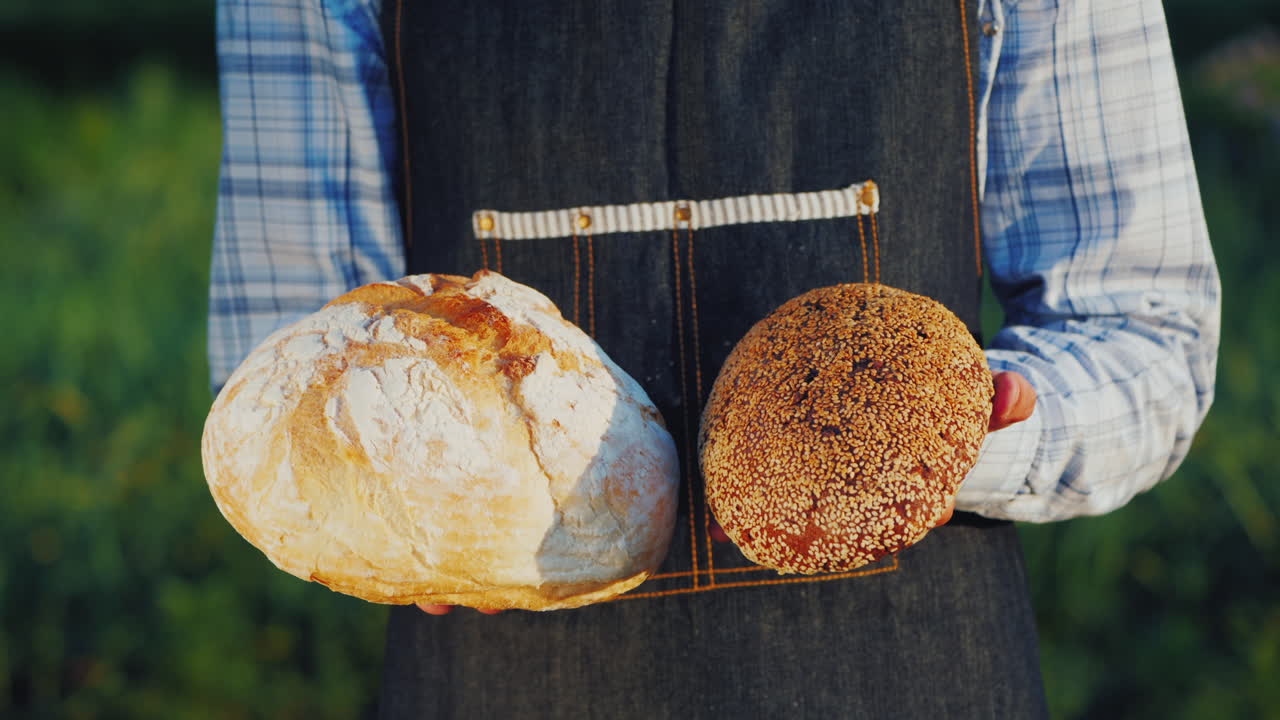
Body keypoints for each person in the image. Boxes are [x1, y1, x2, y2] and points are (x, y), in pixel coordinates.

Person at [208, 0, 1220, 717]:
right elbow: (276, 382)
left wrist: (948, 438)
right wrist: (382, 515)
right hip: (500, 678)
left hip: (914, 672)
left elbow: (1144, 324)